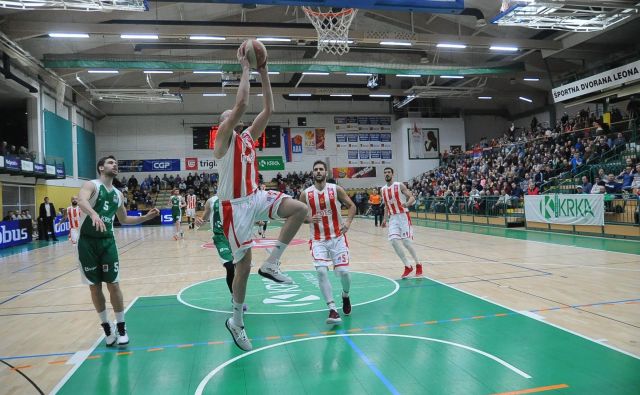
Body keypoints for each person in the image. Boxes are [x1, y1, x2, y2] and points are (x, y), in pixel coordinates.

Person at [213, 44, 307, 351]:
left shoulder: (248, 137)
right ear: (223, 123)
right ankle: (236, 321)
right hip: (234, 208)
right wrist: (244, 67)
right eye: (226, 115)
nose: (232, 113)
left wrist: (264, 69)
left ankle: (274, 263)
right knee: (243, 267)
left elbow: (269, 110)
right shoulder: (222, 140)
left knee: (299, 209)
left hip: (256, 196)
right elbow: (240, 104)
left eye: (232, 115)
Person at [76, 155, 159, 346]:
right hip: (87, 243)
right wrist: (94, 213)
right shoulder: (92, 185)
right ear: (100, 167)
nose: (115, 165)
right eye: (111, 163)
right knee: (94, 286)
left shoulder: (118, 194)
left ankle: (121, 327)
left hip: (107, 242)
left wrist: (145, 218)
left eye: (116, 163)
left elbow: (123, 220)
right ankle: (106, 326)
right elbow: (81, 200)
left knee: (114, 284)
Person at [299, 160, 356, 325]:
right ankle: (332, 309)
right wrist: (308, 218)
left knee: (344, 273)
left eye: (321, 169)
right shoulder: (305, 194)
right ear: (312, 173)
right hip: (318, 240)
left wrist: (348, 222)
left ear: (326, 173)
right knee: (322, 272)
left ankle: (345, 295)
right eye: (315, 169)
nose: (318, 171)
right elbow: (297, 215)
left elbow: (352, 206)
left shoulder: (335, 189)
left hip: (337, 238)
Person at [196, 194, 247, 312]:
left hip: (236, 236)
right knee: (230, 266)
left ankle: (238, 295)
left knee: (240, 269)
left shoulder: (237, 198)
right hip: (221, 238)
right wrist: (200, 221)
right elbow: (204, 219)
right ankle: (235, 297)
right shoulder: (211, 201)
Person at [380, 167, 422, 278]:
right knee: (393, 241)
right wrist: (384, 219)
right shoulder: (383, 189)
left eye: (389, 172)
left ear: (392, 174)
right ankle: (408, 266)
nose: (387, 174)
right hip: (393, 218)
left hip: (403, 216)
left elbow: (412, 197)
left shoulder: (399, 185)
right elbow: (386, 206)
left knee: (406, 243)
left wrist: (407, 204)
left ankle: (418, 264)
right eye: (385, 173)